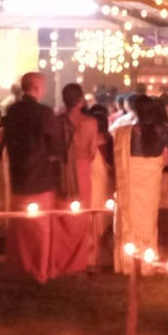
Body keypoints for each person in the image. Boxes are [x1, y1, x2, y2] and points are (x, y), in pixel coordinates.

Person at [2, 72, 89, 282]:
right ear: (38, 88)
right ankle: (40, 269)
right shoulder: (44, 113)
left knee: (21, 227)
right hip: (40, 176)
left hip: (18, 175)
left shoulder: (11, 111)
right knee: (41, 228)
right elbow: (56, 144)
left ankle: (20, 266)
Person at [112, 95, 168, 272]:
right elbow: (165, 161)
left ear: (136, 111)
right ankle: (146, 262)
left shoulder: (124, 132)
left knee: (130, 218)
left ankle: (128, 263)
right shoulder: (163, 130)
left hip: (130, 181)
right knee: (148, 220)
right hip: (150, 184)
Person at [63, 83, 107, 268]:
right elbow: (91, 152)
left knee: (65, 212)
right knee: (84, 212)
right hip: (82, 168)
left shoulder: (58, 120)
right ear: (81, 100)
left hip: (63, 169)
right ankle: (86, 254)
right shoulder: (90, 123)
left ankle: (66, 254)